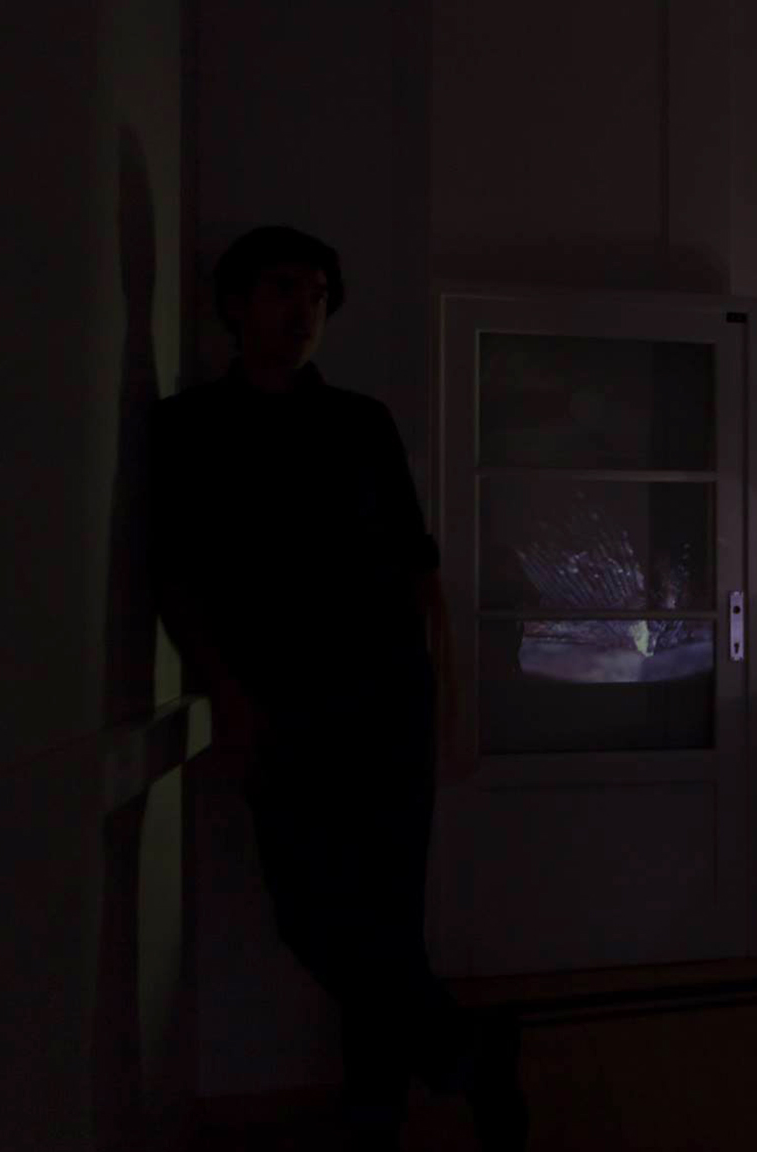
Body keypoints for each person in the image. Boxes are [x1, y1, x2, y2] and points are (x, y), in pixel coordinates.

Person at [148, 225, 529, 1151]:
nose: (304, 310)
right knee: (313, 914)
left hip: (387, 696)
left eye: (318, 295)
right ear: (235, 303)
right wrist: (226, 690)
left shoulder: (361, 423)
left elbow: (419, 570)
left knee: (387, 920)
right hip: (282, 706)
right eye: (284, 289)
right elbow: (176, 578)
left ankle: (376, 1110)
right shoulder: (189, 427)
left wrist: (449, 703)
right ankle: (470, 1055)